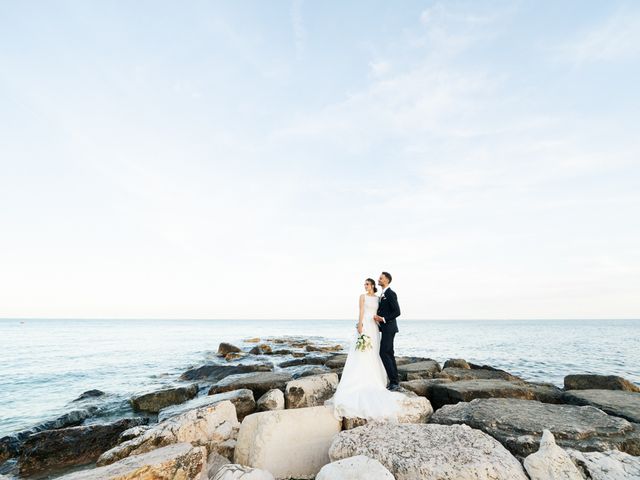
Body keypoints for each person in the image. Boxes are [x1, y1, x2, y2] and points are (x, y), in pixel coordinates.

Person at [324, 276, 405, 422]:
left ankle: (390, 380)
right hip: (367, 325)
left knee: (378, 352)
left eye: (368, 284)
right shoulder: (364, 297)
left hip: (375, 327)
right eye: (364, 284)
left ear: (373, 284)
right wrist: (359, 324)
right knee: (365, 352)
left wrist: (381, 320)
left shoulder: (381, 297)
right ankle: (373, 378)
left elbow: (389, 311)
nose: (365, 286)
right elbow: (361, 311)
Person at [373, 271, 401, 390]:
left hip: (389, 327)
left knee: (383, 353)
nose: (378, 279)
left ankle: (394, 382)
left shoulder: (390, 293)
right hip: (385, 328)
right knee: (389, 353)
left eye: (381, 278)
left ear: (387, 280)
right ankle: (394, 381)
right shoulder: (382, 294)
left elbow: (397, 312)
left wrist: (383, 319)